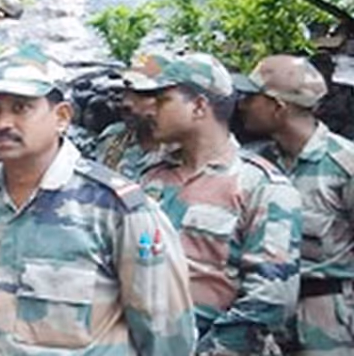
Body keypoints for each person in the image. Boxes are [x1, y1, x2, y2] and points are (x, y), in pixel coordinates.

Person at [0, 45, 198, 354]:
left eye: (21, 108)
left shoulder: (116, 210)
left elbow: (168, 337)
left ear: (62, 117)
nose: (2, 123)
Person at [127, 51, 303, 355]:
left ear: (198, 106)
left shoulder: (262, 187)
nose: (149, 110)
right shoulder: (148, 180)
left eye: (162, 100)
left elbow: (271, 298)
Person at [236, 54, 354, 354]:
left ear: (278, 107)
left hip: (330, 323)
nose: (243, 104)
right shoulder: (256, 165)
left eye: (252, 97)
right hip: (267, 321)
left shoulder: (344, 164)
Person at [91, 56, 168, 179]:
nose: (126, 102)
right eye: (126, 89)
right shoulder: (113, 136)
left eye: (142, 94)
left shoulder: (182, 154)